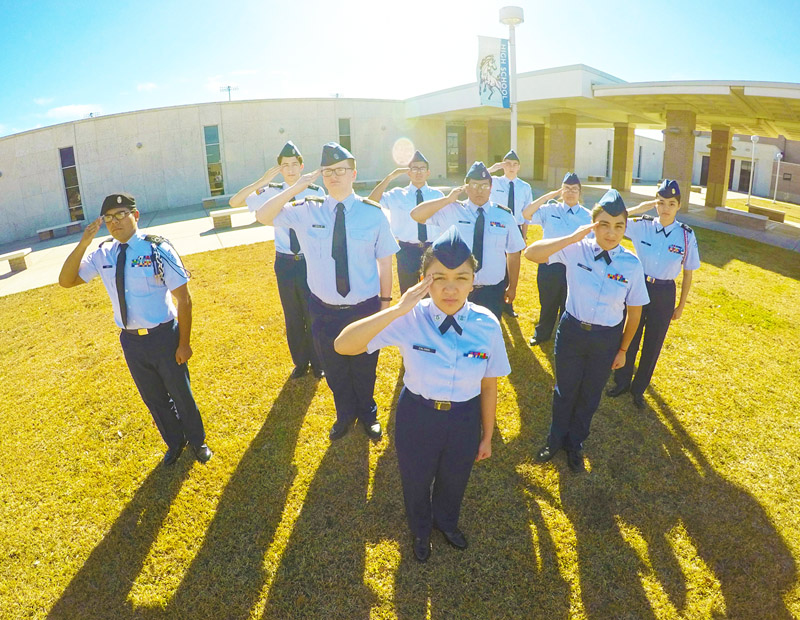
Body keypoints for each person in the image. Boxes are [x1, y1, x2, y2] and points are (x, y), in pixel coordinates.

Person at [334, 226, 510, 562]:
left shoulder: (487, 324)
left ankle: (446, 522)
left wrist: (487, 435)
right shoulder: (410, 319)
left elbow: (489, 384)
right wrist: (397, 309)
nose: (450, 287)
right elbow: (343, 345)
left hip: (464, 417)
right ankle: (419, 529)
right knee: (415, 479)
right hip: (418, 415)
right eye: (438, 277)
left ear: (474, 281)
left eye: (461, 277)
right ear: (422, 280)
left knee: (455, 477)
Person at [253, 142, 399, 441]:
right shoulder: (306, 210)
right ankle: (345, 415)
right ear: (320, 176)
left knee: (365, 366)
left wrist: (385, 306)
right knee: (334, 369)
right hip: (323, 308)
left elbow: (385, 262)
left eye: (341, 170)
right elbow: (264, 216)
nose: (335, 176)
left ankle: (368, 414)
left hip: (364, 307)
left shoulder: (374, 214)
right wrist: (297, 187)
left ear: (353, 173)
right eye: (328, 171)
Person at [58, 193, 212, 466]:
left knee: (180, 392)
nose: (115, 222)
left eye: (121, 215)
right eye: (108, 218)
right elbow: (66, 281)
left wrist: (184, 343)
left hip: (164, 336)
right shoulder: (103, 253)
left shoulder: (157, 248)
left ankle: (198, 441)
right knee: (153, 398)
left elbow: (184, 299)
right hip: (131, 342)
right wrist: (84, 242)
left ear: (135, 215)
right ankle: (175, 442)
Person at [524, 189, 649, 473]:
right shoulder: (575, 249)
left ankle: (575, 443)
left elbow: (635, 312)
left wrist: (623, 350)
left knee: (590, 395)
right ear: (593, 225)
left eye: (619, 226)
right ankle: (555, 440)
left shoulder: (631, 264)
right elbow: (532, 253)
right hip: (571, 332)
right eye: (604, 224)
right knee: (564, 390)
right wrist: (572, 237)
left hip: (606, 339)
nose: (611, 233)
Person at [229, 140, 325, 380]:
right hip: (284, 262)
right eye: (285, 165)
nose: (290, 170)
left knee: (312, 312)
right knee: (292, 315)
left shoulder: (316, 192)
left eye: (294, 164)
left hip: (309, 261)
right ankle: (301, 362)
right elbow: (235, 202)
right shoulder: (271, 191)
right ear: (279, 169)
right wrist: (261, 182)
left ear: (302, 166)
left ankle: (318, 362)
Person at [606, 179, 700, 409]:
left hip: (664, 292)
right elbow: (617, 218)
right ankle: (621, 382)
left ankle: (639, 389)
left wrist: (680, 305)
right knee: (630, 336)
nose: (665, 208)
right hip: (639, 286)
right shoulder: (642, 225)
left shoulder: (686, 235)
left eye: (671, 203)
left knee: (653, 343)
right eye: (661, 202)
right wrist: (643, 206)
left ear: (679, 206)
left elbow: (688, 274)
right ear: (655, 204)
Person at [411, 161, 525, 320]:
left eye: (484, 186)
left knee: (486, 336)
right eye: (474, 185)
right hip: (457, 290)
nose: (479, 190)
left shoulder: (504, 216)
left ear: (491, 188)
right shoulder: (452, 210)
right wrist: (447, 200)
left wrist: (512, 286)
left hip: (492, 291)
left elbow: (513, 253)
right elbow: (416, 214)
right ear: (465, 187)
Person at [521, 172, 592, 347]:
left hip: (574, 267)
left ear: (579, 193)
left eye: (574, 189)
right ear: (561, 191)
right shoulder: (549, 209)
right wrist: (548, 196)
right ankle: (542, 333)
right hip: (550, 264)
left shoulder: (587, 216)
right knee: (547, 302)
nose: (570, 192)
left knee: (568, 304)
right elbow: (527, 214)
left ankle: (565, 336)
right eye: (566, 188)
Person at [368, 150, 443, 294]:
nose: (418, 172)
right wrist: (389, 178)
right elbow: (372, 201)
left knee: (432, 292)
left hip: (432, 249)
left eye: (422, 168)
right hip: (407, 251)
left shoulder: (437, 195)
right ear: (408, 173)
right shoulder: (397, 194)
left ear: (428, 172)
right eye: (414, 168)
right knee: (408, 293)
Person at [488, 149, 533, 318]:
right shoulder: (494, 182)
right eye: (508, 164)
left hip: (516, 228)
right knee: (498, 263)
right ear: (503, 166)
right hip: (497, 227)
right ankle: (497, 300)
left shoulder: (524, 187)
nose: (511, 167)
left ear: (519, 167)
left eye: (514, 164)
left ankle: (508, 304)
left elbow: (526, 213)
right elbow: (476, 175)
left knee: (512, 267)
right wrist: (494, 167)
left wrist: (524, 234)